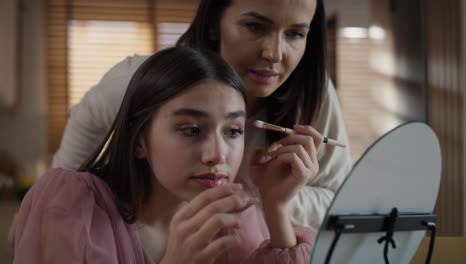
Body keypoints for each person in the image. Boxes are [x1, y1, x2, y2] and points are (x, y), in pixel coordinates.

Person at [52, 0, 352, 229]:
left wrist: (269, 196)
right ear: (213, 23)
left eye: (296, 34)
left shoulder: (313, 95)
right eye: (255, 27)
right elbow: (61, 188)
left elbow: (339, 202)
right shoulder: (135, 83)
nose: (274, 54)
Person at [9, 47, 316, 263]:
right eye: (192, 130)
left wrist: (276, 207)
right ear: (139, 140)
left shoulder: (237, 212)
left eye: (233, 131)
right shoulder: (71, 207)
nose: (217, 155)